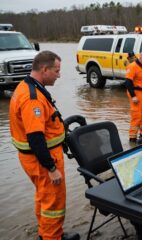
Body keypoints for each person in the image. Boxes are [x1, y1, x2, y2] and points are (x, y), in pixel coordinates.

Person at [9, 51, 80, 240]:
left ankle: (45, 233)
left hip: (35, 158)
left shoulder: (28, 86)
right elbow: (35, 138)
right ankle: (52, 237)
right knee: (53, 203)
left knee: (44, 198)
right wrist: (51, 167)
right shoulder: (32, 98)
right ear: (44, 69)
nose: (59, 75)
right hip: (43, 160)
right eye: (56, 71)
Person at [125, 51, 142, 143]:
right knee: (136, 115)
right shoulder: (132, 66)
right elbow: (128, 82)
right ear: (140, 58)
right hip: (136, 93)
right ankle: (132, 137)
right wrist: (133, 96)